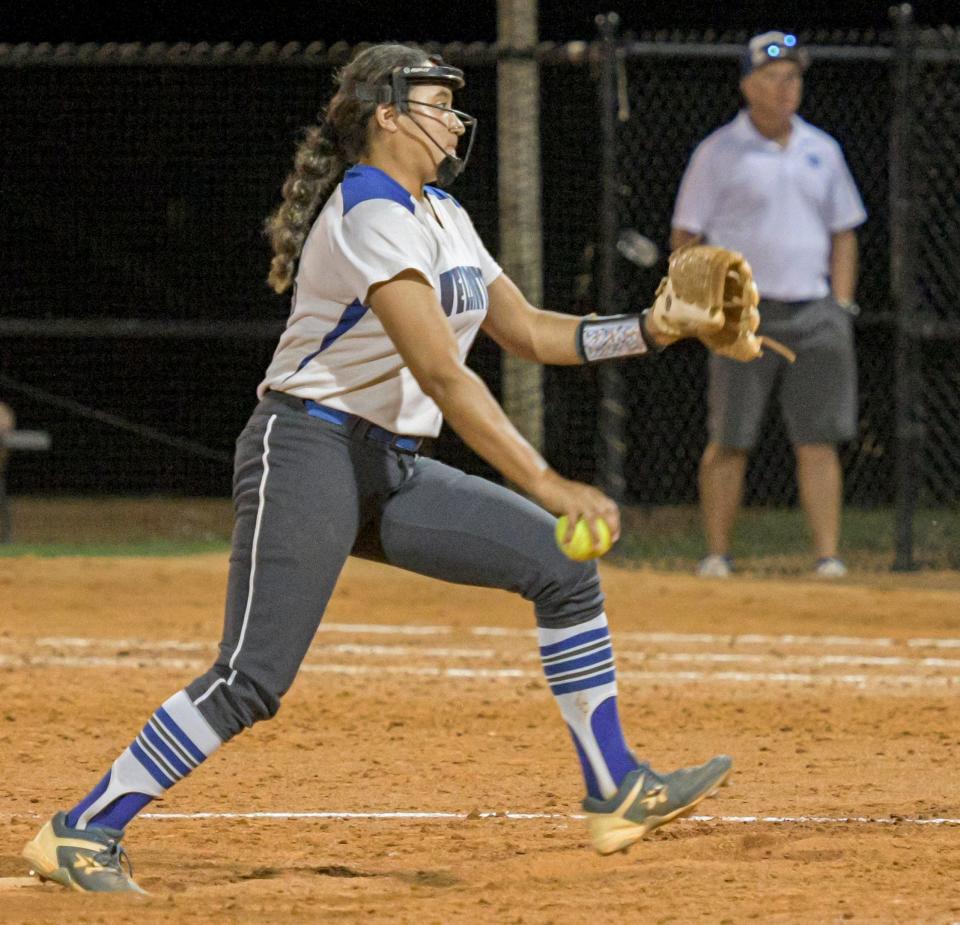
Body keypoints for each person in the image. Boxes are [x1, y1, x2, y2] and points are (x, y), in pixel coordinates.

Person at [22, 44, 732, 893]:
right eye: (435, 102)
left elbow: (533, 331)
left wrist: (651, 329)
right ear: (387, 115)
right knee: (251, 677)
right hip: (307, 447)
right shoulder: (368, 210)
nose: (453, 117)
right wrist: (547, 482)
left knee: (561, 566)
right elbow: (441, 371)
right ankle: (82, 830)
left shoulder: (440, 211)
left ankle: (616, 787)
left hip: (388, 464)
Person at [671, 31, 867, 579]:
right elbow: (687, 236)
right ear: (747, 85)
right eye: (775, 77)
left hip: (815, 311)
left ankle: (828, 556)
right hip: (743, 317)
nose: (787, 88)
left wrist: (842, 305)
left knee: (819, 439)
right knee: (730, 438)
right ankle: (716, 555)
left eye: (794, 78)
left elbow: (844, 231)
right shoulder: (718, 152)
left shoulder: (821, 149)